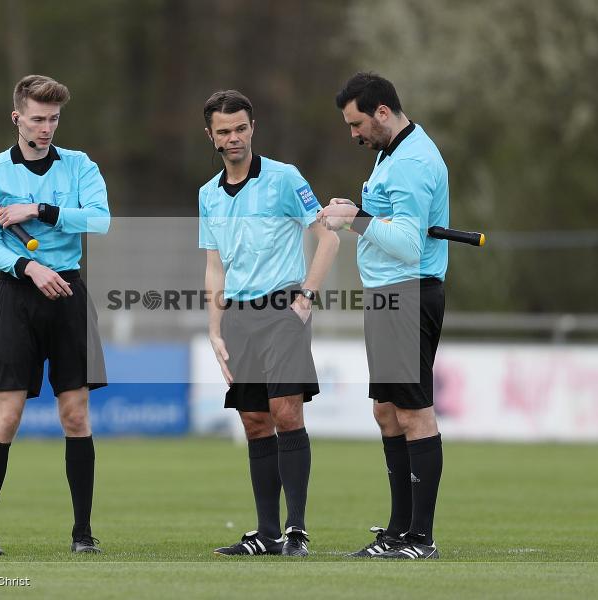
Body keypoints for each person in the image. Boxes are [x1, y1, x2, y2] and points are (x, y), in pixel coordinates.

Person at [0, 74, 111, 556]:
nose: (46, 127)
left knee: (75, 414)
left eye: (53, 119)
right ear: (17, 118)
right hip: (18, 295)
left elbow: (100, 219)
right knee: (6, 416)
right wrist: (28, 267)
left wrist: (41, 210)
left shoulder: (79, 166)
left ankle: (83, 535)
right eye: (37, 118)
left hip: (69, 290)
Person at [199, 90, 339, 557]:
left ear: (252, 127)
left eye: (240, 128)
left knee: (285, 414)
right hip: (237, 317)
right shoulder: (208, 194)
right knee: (255, 421)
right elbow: (215, 267)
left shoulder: (285, 179)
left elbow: (328, 238)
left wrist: (306, 297)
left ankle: (296, 531)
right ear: (211, 135)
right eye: (224, 131)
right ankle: (265, 534)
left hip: (282, 310)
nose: (233, 137)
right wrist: (214, 328)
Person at [318, 72, 448, 560]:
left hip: (409, 293)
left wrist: (354, 219)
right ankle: (398, 530)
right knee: (387, 412)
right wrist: (356, 214)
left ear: (382, 112)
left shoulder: (412, 163)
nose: (353, 134)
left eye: (357, 124)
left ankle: (421, 538)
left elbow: (411, 247)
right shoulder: (389, 153)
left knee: (413, 411)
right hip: (386, 295)